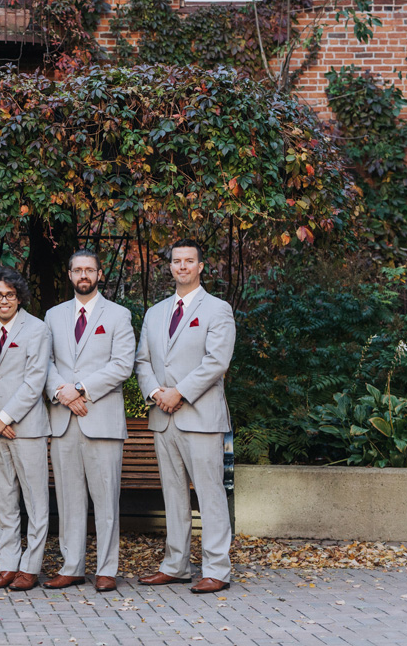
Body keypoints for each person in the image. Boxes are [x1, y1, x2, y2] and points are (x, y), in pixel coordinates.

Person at [135, 239, 236, 594]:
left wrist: (180, 392)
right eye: (176, 261)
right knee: (173, 496)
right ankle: (175, 566)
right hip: (164, 417)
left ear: (201, 266)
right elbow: (143, 361)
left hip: (201, 416)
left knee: (209, 495)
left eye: (189, 261)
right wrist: (155, 393)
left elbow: (217, 361)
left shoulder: (217, 309)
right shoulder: (155, 312)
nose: (182, 267)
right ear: (171, 266)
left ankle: (217, 569)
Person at [45, 249, 136, 593]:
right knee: (68, 499)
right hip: (64, 419)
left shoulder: (118, 315)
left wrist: (81, 388)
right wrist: (63, 393)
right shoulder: (53, 316)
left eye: (90, 270)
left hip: (102, 418)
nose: (83, 275)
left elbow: (122, 364)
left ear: (99, 275)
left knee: (105, 499)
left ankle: (106, 569)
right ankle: (72, 566)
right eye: (77, 270)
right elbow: (44, 362)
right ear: (69, 275)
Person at [0, 267, 51, 592]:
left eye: (9, 294)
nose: (3, 300)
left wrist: (5, 416)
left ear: (19, 297)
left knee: (35, 500)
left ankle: (30, 566)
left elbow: (36, 379)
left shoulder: (37, 329)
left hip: (27, 427)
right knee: (5, 499)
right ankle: (8, 564)